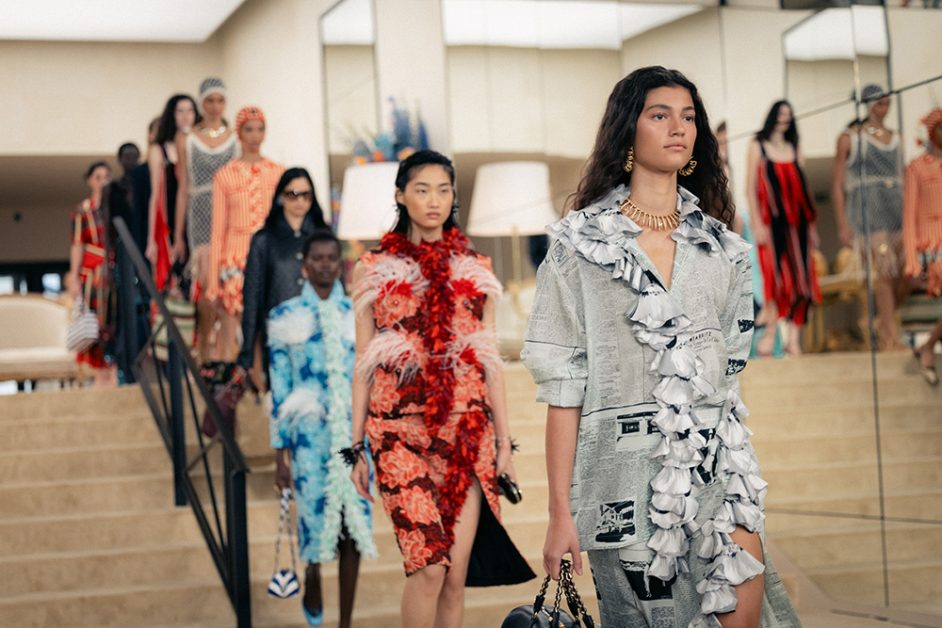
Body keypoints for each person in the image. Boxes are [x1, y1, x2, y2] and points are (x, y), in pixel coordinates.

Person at [522, 66, 799, 628]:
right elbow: (564, 389)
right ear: (629, 130)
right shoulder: (579, 247)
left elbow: (729, 368)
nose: (679, 127)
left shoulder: (722, 248)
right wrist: (559, 513)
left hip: (721, 474)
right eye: (660, 115)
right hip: (622, 490)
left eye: (689, 117)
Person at [348, 150, 534, 628]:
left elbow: (490, 363)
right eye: (422, 189)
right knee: (429, 567)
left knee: (454, 577)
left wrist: (504, 445)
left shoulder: (476, 269)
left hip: (466, 435)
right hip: (397, 434)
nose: (434, 200)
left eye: (444, 190)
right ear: (400, 195)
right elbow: (363, 364)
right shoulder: (372, 268)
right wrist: (355, 447)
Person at [267, 230, 377, 627]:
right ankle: (312, 573)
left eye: (332, 258)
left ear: (340, 264)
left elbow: (371, 377)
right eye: (318, 258)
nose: (326, 265)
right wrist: (280, 456)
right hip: (309, 441)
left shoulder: (357, 313)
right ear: (305, 265)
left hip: (355, 437)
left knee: (354, 527)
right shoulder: (284, 317)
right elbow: (280, 391)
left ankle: (345, 621)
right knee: (314, 521)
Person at [237, 168, 328, 389]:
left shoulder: (324, 237)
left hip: (320, 335)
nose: (300, 201)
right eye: (292, 194)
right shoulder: (264, 240)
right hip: (280, 339)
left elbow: (337, 287)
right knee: (284, 400)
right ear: (280, 197)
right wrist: (247, 353)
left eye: (306, 195)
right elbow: (252, 297)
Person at [206, 106, 285, 362]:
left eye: (260, 129)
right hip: (235, 260)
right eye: (249, 130)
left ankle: (264, 379)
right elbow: (217, 232)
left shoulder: (278, 172)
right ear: (239, 133)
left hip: (269, 256)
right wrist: (212, 282)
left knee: (270, 327)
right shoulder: (225, 175)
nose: (255, 136)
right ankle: (235, 379)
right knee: (235, 332)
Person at [832, 84, 906, 350]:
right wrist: (843, 224)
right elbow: (838, 184)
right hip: (869, 214)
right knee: (885, 272)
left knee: (904, 273)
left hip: (897, 211)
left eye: (887, 102)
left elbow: (903, 176)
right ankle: (890, 336)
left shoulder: (896, 137)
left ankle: (880, 322)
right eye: (879, 102)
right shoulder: (851, 137)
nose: (884, 107)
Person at [746, 100, 820, 356]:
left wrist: (812, 228)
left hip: (798, 223)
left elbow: (804, 189)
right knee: (775, 276)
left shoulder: (795, 147)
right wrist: (757, 223)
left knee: (802, 278)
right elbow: (750, 189)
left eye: (788, 114)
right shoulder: (758, 146)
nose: (784, 118)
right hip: (772, 223)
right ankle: (770, 332)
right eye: (780, 113)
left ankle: (794, 338)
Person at [177, 77, 239, 362]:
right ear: (201, 103)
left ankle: (226, 356)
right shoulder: (187, 138)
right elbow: (183, 187)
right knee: (205, 289)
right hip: (200, 214)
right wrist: (178, 236)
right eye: (210, 100)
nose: (215, 106)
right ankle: (203, 353)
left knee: (229, 287)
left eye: (220, 100)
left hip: (230, 215)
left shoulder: (235, 137)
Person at [68, 161, 117, 387]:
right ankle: (100, 376)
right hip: (93, 275)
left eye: (106, 177)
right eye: (98, 177)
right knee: (95, 323)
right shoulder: (83, 211)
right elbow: (77, 245)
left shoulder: (116, 208)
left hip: (114, 274)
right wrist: (75, 277)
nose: (103, 181)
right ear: (90, 181)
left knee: (114, 321)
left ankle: (114, 371)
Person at [904, 107, 942, 385]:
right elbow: (909, 215)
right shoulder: (917, 167)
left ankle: (928, 345)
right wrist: (912, 260)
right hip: (932, 247)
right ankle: (928, 347)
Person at [146, 94, 198, 290]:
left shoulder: (200, 146)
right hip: (171, 220)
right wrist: (151, 238)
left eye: (190, 110)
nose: (185, 116)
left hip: (198, 216)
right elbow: (155, 196)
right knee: (175, 278)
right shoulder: (159, 150)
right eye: (179, 111)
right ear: (172, 115)